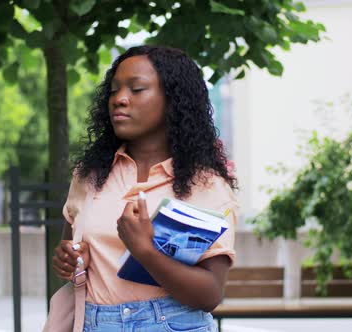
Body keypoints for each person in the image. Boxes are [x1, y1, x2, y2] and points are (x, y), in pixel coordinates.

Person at [52, 45, 239, 331]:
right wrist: (70, 260)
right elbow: (70, 253)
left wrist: (145, 251)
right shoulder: (89, 175)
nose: (119, 100)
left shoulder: (206, 184)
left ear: (173, 101)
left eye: (136, 89)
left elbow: (210, 294)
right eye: (114, 90)